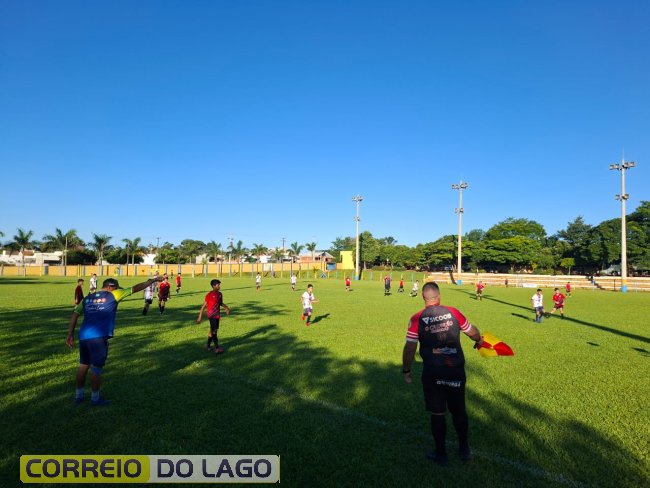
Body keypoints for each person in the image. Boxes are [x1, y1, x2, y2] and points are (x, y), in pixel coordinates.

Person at [402, 281, 483, 466]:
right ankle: (464, 449)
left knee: (437, 413)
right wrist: (479, 339)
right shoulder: (453, 312)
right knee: (459, 411)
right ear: (439, 296)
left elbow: (409, 348)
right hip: (455, 369)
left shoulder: (417, 318)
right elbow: (472, 332)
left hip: (433, 372)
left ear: (423, 297)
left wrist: (407, 370)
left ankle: (441, 454)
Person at [66, 276, 162, 406]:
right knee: (96, 369)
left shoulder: (87, 298)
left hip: (84, 336)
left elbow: (74, 314)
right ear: (111, 287)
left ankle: (79, 397)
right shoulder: (114, 294)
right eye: (116, 287)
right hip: (99, 337)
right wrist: (153, 281)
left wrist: (70, 333)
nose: (117, 289)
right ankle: (95, 399)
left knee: (83, 366)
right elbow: (136, 288)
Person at [196, 279, 231, 355]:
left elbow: (220, 303)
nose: (219, 286)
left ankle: (208, 346)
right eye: (218, 285)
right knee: (214, 331)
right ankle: (217, 348)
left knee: (212, 331)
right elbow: (203, 306)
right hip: (211, 315)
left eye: (219, 284)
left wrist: (226, 307)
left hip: (217, 315)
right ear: (213, 286)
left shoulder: (220, 294)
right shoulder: (209, 295)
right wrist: (199, 317)